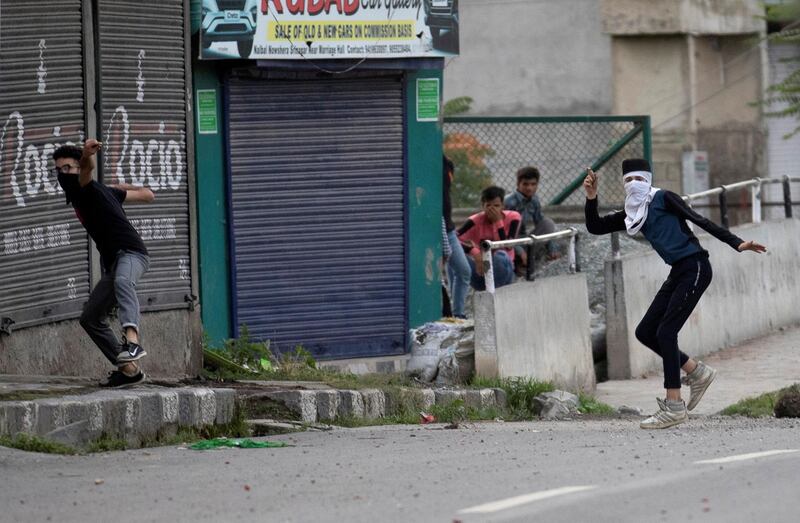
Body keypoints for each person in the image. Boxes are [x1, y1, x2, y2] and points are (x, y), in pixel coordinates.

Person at [583, 158, 766, 429]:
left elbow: (699, 219)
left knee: (666, 332)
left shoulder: (664, 198)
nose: (634, 185)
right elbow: (595, 226)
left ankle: (674, 406)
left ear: (649, 179)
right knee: (645, 332)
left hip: (695, 266)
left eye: (639, 179)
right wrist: (591, 198)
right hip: (678, 272)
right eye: (628, 181)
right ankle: (696, 372)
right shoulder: (632, 212)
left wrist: (737, 243)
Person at [53, 139, 155, 388]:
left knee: (123, 280)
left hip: (131, 253)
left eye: (68, 168)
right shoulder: (104, 191)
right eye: (58, 170)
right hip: (114, 262)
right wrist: (117, 187)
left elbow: (87, 170)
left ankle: (132, 342)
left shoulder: (85, 188)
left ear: (78, 169)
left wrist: (87, 156)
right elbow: (147, 194)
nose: (62, 174)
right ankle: (129, 371)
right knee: (90, 317)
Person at [456, 186, 521, 294]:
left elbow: (508, 246)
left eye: (496, 206)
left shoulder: (513, 217)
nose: (492, 210)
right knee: (454, 257)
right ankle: (457, 306)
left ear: (502, 206)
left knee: (501, 255)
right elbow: (452, 239)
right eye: (488, 205)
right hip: (481, 270)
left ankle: (493, 295)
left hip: (504, 269)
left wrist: (498, 222)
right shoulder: (475, 220)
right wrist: (473, 250)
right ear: (483, 206)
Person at [504, 166, 559, 274]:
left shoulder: (534, 200)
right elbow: (503, 233)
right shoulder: (508, 202)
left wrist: (553, 247)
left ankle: (527, 260)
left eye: (533, 184)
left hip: (524, 241)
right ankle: (518, 263)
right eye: (525, 184)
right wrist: (520, 251)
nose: (529, 188)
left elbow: (541, 222)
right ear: (518, 184)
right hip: (508, 242)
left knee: (548, 223)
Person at [443, 156, 471, 318]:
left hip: (448, 227)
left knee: (462, 271)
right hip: (439, 226)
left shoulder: (446, 164)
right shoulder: (430, 162)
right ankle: (453, 313)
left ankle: (458, 314)